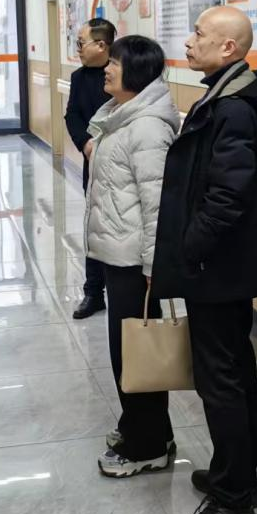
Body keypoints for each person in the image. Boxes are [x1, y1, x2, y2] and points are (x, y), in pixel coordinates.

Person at [152, 5, 257, 514]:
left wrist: (190, 248)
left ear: (228, 48)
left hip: (218, 267)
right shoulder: (229, 93)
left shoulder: (233, 107)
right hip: (226, 266)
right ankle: (237, 476)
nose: (189, 42)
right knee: (231, 371)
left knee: (222, 379)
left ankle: (233, 501)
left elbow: (227, 196)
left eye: (199, 34)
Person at [82, 35, 181, 478]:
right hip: (117, 251)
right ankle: (145, 427)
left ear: (136, 72)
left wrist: (153, 267)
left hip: (132, 261)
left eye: (116, 63)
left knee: (136, 354)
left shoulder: (147, 128)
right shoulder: (120, 116)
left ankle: (148, 446)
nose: (107, 68)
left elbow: (158, 205)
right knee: (127, 352)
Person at [65, 18, 115, 319]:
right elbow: (72, 115)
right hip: (93, 163)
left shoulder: (125, 72)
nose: (78, 49)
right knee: (94, 227)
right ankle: (93, 292)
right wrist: (84, 143)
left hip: (122, 164)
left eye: (81, 43)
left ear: (101, 45)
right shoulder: (79, 78)